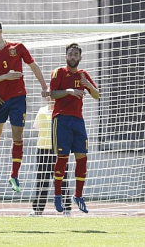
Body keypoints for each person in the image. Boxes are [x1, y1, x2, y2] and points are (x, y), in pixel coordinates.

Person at [0, 19, 48, 192]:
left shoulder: (17, 47)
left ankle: (14, 175)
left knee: (17, 136)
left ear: (0, 31)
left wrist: (44, 87)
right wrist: (0, 83)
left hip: (18, 98)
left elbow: (33, 65)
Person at [50, 43, 99, 214]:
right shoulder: (59, 72)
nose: (73, 57)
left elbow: (97, 95)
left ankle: (78, 195)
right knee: (62, 157)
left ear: (80, 58)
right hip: (61, 119)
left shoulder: (83, 74)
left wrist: (89, 85)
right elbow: (53, 93)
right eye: (70, 54)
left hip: (78, 120)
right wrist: (69, 91)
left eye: (76, 54)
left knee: (82, 157)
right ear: (66, 57)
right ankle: (57, 195)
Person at [30, 97, 71, 216]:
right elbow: (38, 128)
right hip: (43, 149)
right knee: (42, 180)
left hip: (58, 150)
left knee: (62, 179)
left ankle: (66, 208)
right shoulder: (41, 111)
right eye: (49, 96)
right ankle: (38, 209)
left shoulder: (62, 111)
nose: (51, 98)